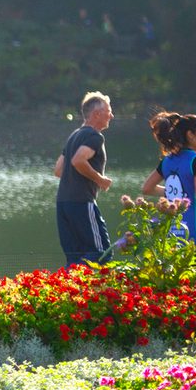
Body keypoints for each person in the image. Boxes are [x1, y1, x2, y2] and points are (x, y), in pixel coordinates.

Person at [140, 112, 196, 244]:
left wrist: (175, 191)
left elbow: (147, 189)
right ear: (190, 135)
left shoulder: (167, 160)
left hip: (172, 232)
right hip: (193, 234)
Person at [53, 91, 115, 265]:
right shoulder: (94, 136)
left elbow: (59, 170)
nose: (111, 115)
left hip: (63, 203)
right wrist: (100, 179)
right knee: (101, 253)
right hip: (81, 202)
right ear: (96, 114)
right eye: (108, 111)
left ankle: (67, 288)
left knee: (74, 257)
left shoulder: (74, 136)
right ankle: (95, 291)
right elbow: (78, 160)